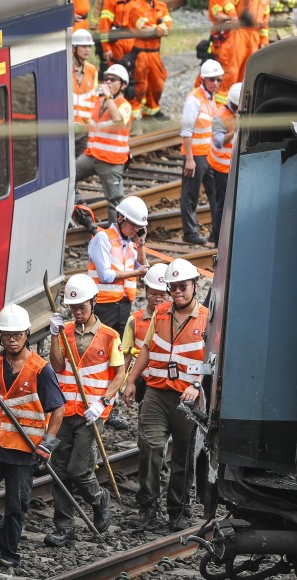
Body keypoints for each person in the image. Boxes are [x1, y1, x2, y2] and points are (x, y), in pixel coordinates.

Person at [0, 304, 65, 568]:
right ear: (0, 336)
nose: (12, 340)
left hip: (24, 451)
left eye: (17, 335)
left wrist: (47, 444)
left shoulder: (39, 369)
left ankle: (8, 552)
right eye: (7, 335)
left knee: (16, 504)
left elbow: (58, 409)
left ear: (27, 335)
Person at [123, 258, 208, 531]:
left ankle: (178, 510)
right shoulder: (159, 314)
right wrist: (131, 381)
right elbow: (146, 350)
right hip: (156, 394)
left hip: (187, 399)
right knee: (150, 446)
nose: (177, 292)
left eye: (182, 286)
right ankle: (147, 506)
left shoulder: (207, 319)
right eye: (172, 287)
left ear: (195, 285)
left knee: (182, 456)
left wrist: (197, 385)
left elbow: (214, 360)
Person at [44, 274, 125, 547]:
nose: (77, 312)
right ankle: (64, 527)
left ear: (94, 302)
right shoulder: (64, 332)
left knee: (79, 469)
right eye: (73, 308)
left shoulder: (109, 336)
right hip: (65, 410)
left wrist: (103, 402)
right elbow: (56, 366)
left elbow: (119, 374)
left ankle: (99, 498)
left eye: (81, 307)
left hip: (92, 413)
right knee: (59, 470)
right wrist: (54, 336)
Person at [76, 63, 132, 225]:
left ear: (123, 85)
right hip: (91, 156)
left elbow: (117, 119)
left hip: (111, 161)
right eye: (106, 79)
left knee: (115, 201)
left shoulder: (125, 106)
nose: (108, 82)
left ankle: (115, 236)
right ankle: (78, 210)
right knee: (67, 180)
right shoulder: (99, 102)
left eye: (113, 80)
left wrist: (108, 97)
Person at [87, 194, 149, 337]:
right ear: (121, 219)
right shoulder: (103, 238)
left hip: (124, 305)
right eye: (133, 225)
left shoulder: (130, 243)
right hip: (104, 305)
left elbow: (143, 267)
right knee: (100, 347)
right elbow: (105, 276)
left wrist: (141, 245)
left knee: (119, 350)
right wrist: (135, 273)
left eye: (139, 227)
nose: (136, 230)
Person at [179, 59, 223, 246]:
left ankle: (217, 233)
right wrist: (189, 159)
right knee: (190, 195)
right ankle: (190, 233)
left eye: (218, 79)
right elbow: (186, 132)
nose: (216, 83)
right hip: (196, 156)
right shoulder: (194, 100)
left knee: (215, 195)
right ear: (203, 79)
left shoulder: (211, 99)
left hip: (209, 156)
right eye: (212, 79)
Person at [121, 263, 169, 407]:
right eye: (153, 294)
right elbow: (126, 356)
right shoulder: (134, 321)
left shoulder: (177, 320)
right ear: (146, 291)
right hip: (145, 381)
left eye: (162, 295)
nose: (158, 298)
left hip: (170, 382)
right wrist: (122, 384)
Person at [209, 0, 268, 103]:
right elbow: (228, 2)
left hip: (254, 36)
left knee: (247, 74)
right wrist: (233, 16)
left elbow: (265, 21)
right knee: (231, 71)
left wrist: (263, 41)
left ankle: (238, 106)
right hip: (239, 32)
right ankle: (220, 107)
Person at [208, 82, 243, 245]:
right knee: (221, 205)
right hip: (221, 168)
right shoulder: (220, 115)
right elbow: (218, 141)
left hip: (233, 167)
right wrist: (235, 129)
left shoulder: (241, 112)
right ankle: (217, 240)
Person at [127, 0, 172, 122]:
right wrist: (160, 26)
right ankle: (133, 114)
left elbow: (169, 26)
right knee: (139, 86)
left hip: (154, 52)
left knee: (158, 84)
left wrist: (155, 29)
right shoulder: (136, 8)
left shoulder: (161, 6)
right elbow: (144, 31)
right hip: (140, 53)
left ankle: (152, 110)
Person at [72, 29, 101, 158]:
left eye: (89, 46)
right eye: (83, 46)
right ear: (74, 48)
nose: (87, 50)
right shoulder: (63, 68)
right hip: (66, 130)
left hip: (84, 130)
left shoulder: (92, 70)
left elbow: (94, 100)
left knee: (80, 169)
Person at [99, 0, 136, 67]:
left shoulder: (140, 2)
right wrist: (106, 48)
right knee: (115, 71)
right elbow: (104, 25)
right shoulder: (110, 1)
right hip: (117, 43)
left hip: (135, 43)